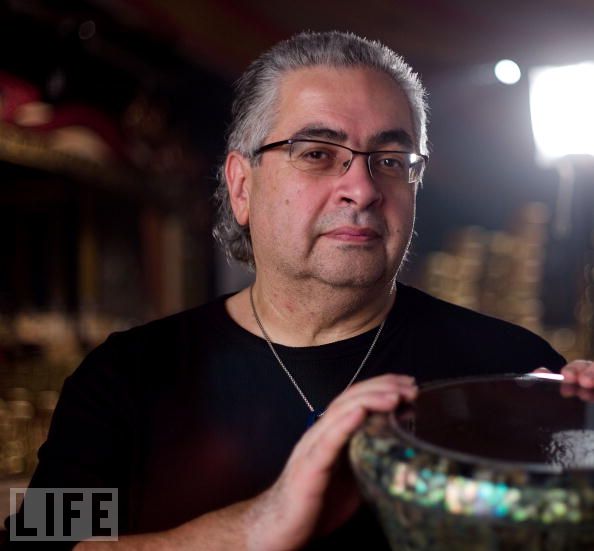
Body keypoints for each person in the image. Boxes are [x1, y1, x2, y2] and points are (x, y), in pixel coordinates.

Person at [5, 30, 594, 550]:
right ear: (241, 186)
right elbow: (45, 544)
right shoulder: (124, 380)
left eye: (390, 160)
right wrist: (256, 528)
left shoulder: (510, 370)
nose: (362, 188)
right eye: (316, 154)